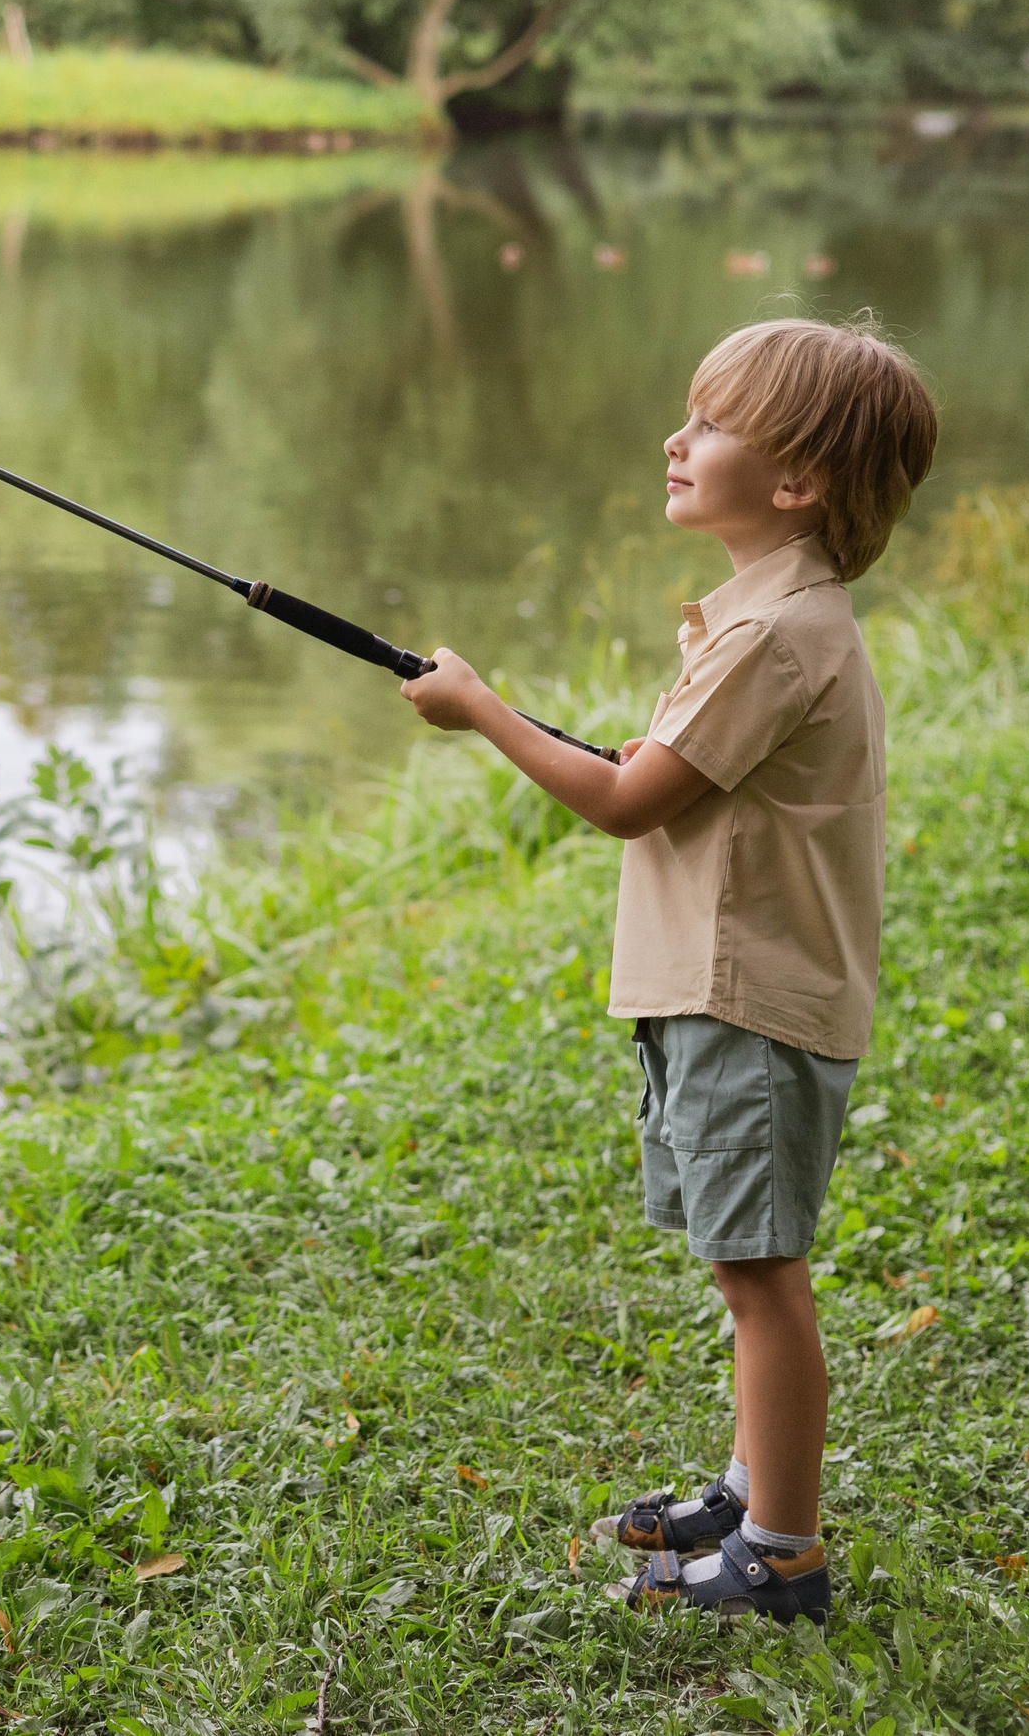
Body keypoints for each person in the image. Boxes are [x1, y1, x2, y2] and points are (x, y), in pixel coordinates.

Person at [397, 315, 938, 1622]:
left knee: (762, 1273)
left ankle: (783, 1554)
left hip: (747, 1002)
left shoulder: (773, 634)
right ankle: (759, 1491)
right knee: (741, 1259)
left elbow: (629, 801)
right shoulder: (766, 614)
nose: (674, 440)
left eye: (708, 425)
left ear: (797, 481)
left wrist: (480, 708)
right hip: (721, 990)